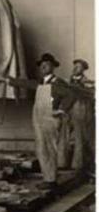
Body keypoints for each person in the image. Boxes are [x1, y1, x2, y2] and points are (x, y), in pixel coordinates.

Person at [32, 52, 65, 183]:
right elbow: (26, 84)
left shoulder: (58, 82)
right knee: (41, 148)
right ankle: (47, 178)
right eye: (42, 65)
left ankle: (51, 180)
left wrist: (61, 109)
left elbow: (71, 95)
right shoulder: (41, 82)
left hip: (50, 119)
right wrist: (9, 80)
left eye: (47, 65)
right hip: (39, 117)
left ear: (53, 67)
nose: (43, 67)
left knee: (49, 148)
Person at [68, 59, 94, 171]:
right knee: (69, 138)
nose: (75, 69)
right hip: (70, 112)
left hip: (82, 111)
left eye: (78, 67)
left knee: (82, 138)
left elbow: (90, 96)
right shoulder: (69, 80)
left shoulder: (86, 82)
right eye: (74, 66)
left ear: (83, 69)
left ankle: (79, 166)